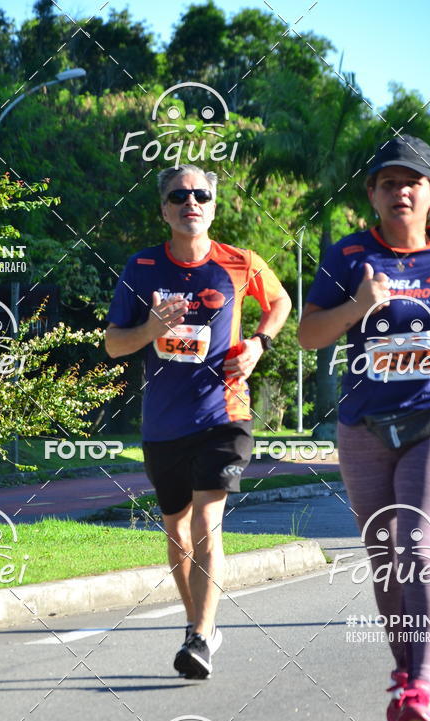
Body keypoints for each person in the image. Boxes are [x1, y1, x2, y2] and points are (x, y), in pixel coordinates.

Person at [300, 135, 430, 721]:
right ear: (373, 195)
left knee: (417, 542)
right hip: (364, 427)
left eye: (414, 181)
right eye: (388, 182)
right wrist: (357, 306)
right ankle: (406, 675)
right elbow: (308, 336)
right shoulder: (348, 254)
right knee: (385, 560)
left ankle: (421, 683)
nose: (401, 190)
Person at [106, 164, 291, 678]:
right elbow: (114, 343)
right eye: (179, 195)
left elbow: (280, 301)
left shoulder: (240, 262)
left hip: (224, 414)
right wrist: (151, 326)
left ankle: (202, 636)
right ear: (164, 208)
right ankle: (197, 626)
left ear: (214, 205)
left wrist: (260, 343)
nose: (192, 202)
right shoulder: (141, 267)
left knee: (209, 520)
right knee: (177, 531)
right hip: (163, 423)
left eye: (202, 194)